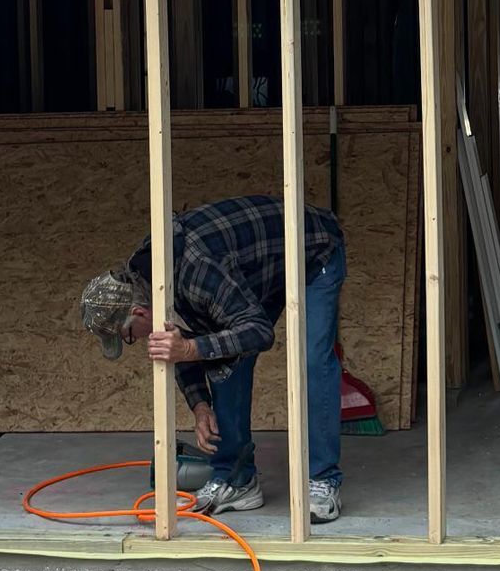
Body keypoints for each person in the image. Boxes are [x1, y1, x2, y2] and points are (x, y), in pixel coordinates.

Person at [78, 195, 347, 523]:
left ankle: (322, 480)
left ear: (138, 312)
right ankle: (237, 480)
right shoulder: (152, 279)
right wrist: (200, 405)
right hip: (258, 268)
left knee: (312, 360)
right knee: (226, 356)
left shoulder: (196, 273)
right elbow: (184, 332)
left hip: (312, 251)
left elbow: (260, 332)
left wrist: (190, 350)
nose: (140, 341)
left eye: (130, 335)